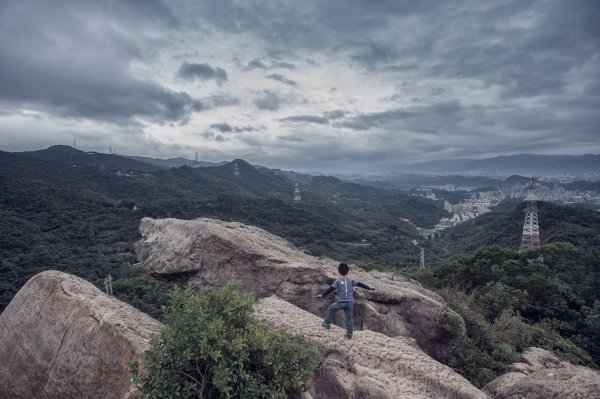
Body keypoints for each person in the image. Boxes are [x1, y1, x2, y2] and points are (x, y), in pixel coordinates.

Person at [315, 262, 375, 339]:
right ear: (348, 271)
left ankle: (326, 324)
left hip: (341, 302)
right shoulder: (351, 280)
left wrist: (323, 295)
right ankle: (349, 334)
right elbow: (360, 284)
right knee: (349, 318)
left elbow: (330, 289)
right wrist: (369, 288)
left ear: (339, 271)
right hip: (350, 302)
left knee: (331, 308)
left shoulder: (338, 281)